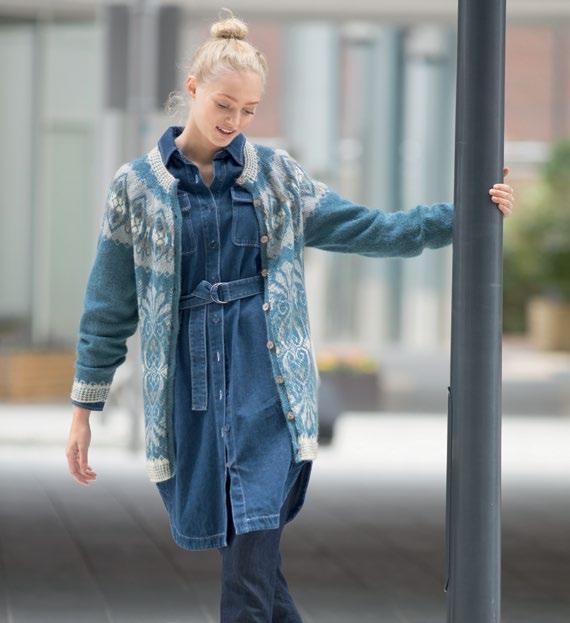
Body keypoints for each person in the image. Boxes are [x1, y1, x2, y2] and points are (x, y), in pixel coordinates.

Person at [65, 8, 516, 622]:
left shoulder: (276, 177)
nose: (235, 121)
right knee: (259, 569)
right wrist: (84, 410)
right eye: (225, 104)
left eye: (249, 111)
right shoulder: (135, 189)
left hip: (269, 384)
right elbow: (108, 305)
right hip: (193, 395)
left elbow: (372, 228)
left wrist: (462, 213)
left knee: (250, 560)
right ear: (192, 90)